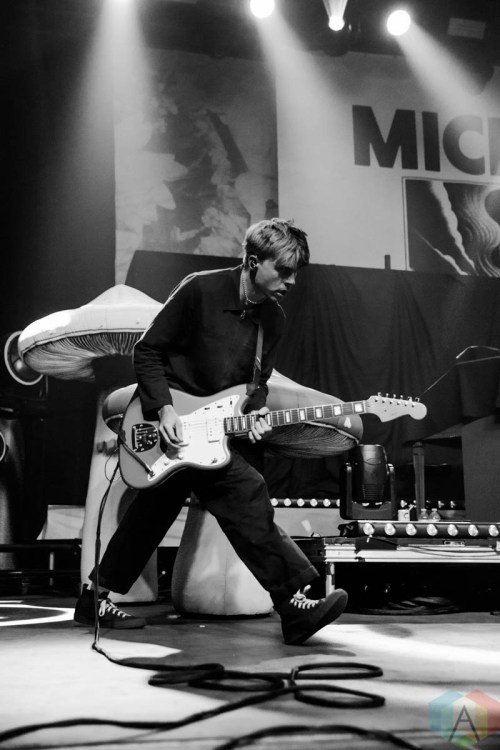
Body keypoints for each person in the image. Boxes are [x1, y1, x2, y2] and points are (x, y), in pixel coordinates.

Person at [74, 218, 348, 645]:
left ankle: (291, 605)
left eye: (296, 273)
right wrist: (163, 409)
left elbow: (257, 384)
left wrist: (256, 412)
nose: (291, 282)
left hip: (215, 435)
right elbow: (148, 351)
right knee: (164, 513)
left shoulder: (272, 319)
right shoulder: (199, 290)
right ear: (253, 262)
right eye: (283, 271)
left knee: (232, 500)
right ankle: (291, 604)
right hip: (166, 426)